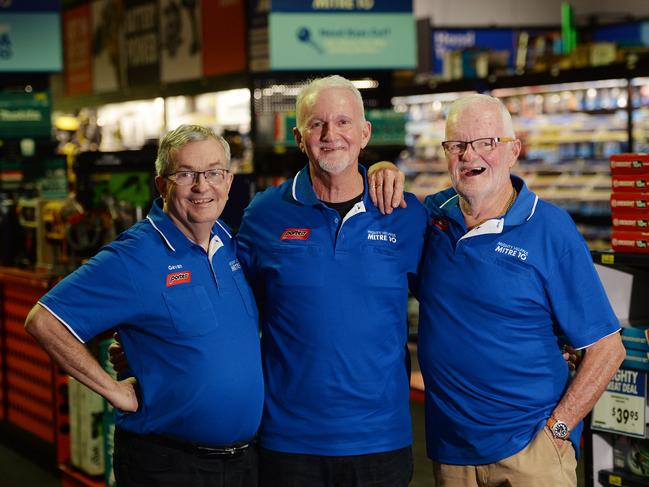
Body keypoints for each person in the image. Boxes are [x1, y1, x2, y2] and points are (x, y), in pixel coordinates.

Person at [371, 94, 625, 487]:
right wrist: (383, 167)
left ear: (513, 151)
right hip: (452, 454)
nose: (470, 155)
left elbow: (608, 349)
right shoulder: (433, 219)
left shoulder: (550, 230)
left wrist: (557, 433)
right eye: (457, 145)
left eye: (486, 142)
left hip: (530, 456)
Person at [24, 125, 264, 487]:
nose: (202, 186)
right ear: (161, 184)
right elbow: (44, 321)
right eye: (185, 174)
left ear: (229, 181)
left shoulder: (228, 242)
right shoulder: (133, 256)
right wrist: (112, 389)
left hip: (242, 463)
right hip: (169, 465)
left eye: (213, 172)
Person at [235, 75, 428, 486]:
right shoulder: (264, 215)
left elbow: (458, 300)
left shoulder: (405, 213)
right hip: (288, 442)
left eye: (343, 122)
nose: (330, 134)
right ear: (299, 137)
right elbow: (228, 308)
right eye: (317, 124)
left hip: (381, 441)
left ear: (364, 132)